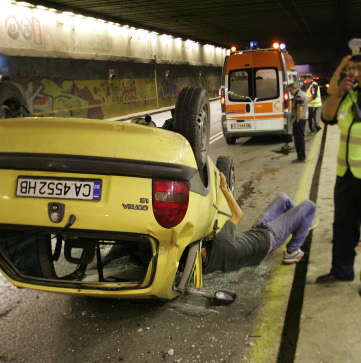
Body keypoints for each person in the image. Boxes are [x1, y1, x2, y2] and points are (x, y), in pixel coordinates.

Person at [201, 173, 317, 274]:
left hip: (257, 232)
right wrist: (224, 188)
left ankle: (302, 223)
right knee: (309, 206)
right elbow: (237, 214)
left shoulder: (207, 267)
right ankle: (293, 250)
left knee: (283, 198)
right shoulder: (221, 241)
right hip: (270, 238)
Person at [316, 45, 361, 284]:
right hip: (345, 176)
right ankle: (342, 270)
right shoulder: (348, 95)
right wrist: (337, 94)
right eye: (350, 69)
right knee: (343, 225)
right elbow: (327, 116)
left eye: (357, 68)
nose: (352, 73)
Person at [287, 83, 309, 163]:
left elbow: (300, 109)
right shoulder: (303, 93)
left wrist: (297, 120)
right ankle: (301, 156)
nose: (290, 92)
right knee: (300, 138)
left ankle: (301, 157)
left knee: (299, 139)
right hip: (304, 117)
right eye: (289, 91)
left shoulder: (299, 96)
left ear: (295, 88)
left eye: (291, 90)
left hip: (300, 119)